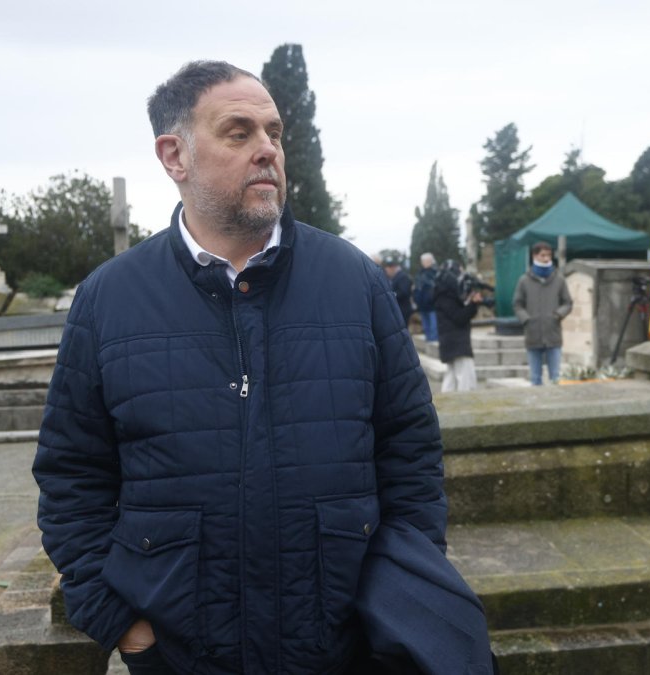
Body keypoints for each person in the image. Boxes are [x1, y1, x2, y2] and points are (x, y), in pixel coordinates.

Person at [33, 61, 492, 675]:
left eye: (274, 133)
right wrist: (124, 625)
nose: (267, 150)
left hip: (341, 647)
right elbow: (72, 477)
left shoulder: (354, 282)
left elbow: (409, 452)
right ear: (174, 155)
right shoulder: (109, 299)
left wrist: (399, 590)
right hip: (182, 656)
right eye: (239, 132)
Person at [513, 241, 572, 386]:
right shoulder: (524, 280)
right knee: (535, 378)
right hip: (533, 335)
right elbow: (517, 304)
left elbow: (568, 302)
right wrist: (526, 319)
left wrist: (558, 315)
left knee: (555, 378)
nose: (546, 259)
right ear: (535, 256)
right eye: (542, 255)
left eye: (549, 255)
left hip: (553, 335)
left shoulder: (559, 279)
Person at [434, 260, 481, 392]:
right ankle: (465, 407)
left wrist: (471, 303)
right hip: (457, 343)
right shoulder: (446, 297)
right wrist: (472, 304)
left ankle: (445, 407)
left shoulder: (444, 295)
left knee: (452, 377)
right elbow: (459, 317)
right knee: (466, 379)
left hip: (451, 343)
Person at [383, 255, 415, 327]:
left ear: (393, 268)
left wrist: (391, 295)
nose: (387, 272)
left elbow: (404, 292)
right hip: (399, 309)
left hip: (403, 309)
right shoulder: (394, 277)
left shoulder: (402, 277)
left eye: (387, 270)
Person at [414, 253, 439, 342]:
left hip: (432, 303)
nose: (423, 262)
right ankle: (429, 339)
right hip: (422, 303)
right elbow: (417, 287)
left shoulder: (435, 272)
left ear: (430, 261)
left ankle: (434, 340)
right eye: (422, 261)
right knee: (425, 324)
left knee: (433, 324)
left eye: (425, 260)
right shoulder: (420, 273)